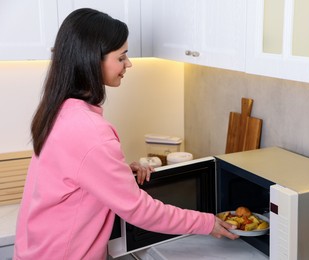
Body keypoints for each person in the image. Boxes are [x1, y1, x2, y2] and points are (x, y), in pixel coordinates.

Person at [13, 8, 238, 260]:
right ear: (92, 60)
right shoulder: (89, 130)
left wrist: (118, 174)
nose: (128, 64)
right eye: (121, 57)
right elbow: (140, 210)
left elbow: (74, 177)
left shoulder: (60, 109)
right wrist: (207, 223)